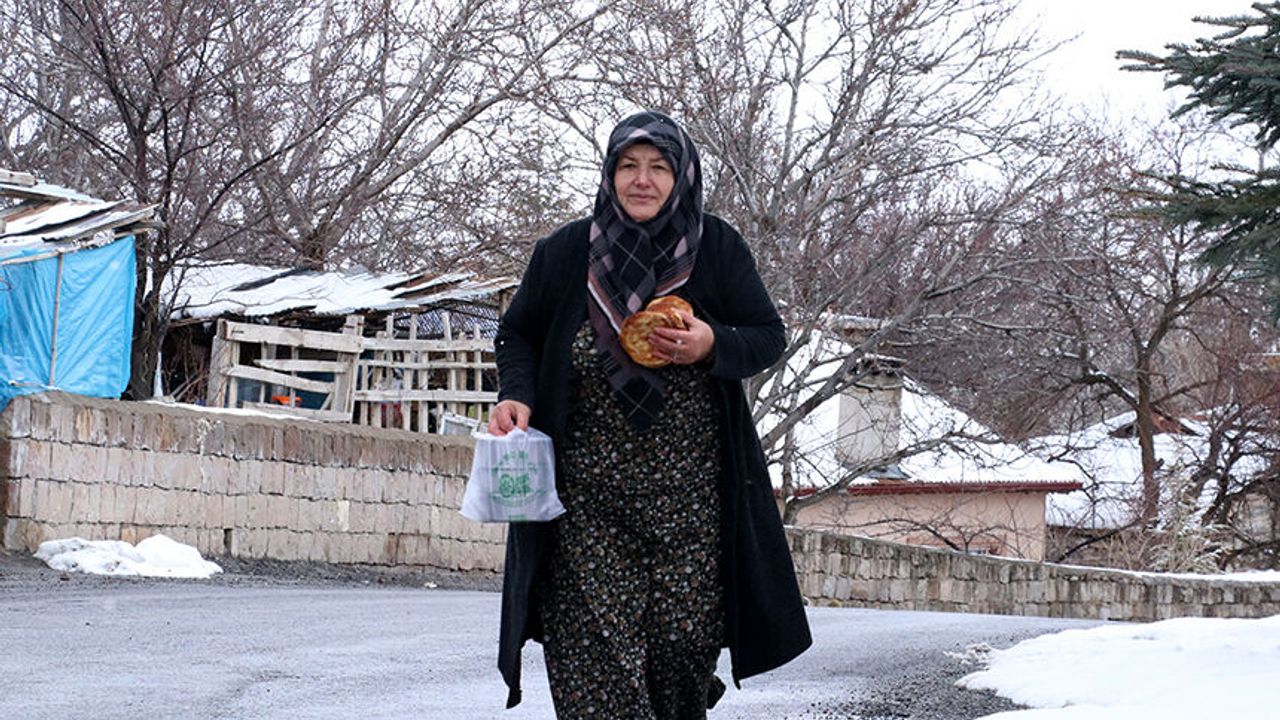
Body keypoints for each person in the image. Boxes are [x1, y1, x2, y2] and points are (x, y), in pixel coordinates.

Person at [488, 110, 811, 718]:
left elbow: (769, 336)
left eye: (658, 167)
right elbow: (518, 335)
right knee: (594, 668)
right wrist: (517, 394)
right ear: (609, 174)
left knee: (679, 662)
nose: (642, 180)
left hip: (690, 508)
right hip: (585, 505)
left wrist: (711, 343)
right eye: (628, 166)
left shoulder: (716, 248)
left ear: (682, 175)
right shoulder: (565, 253)